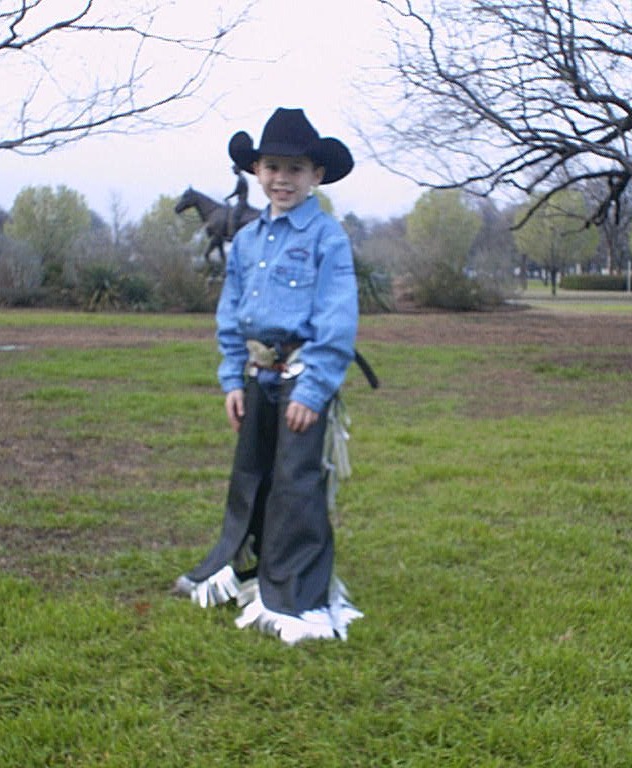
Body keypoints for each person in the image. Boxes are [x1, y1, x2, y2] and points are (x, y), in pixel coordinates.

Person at [172, 107, 362, 644]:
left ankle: (295, 590)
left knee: (296, 482)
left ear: (316, 176)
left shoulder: (328, 238)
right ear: (257, 171)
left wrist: (316, 385)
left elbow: (337, 316)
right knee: (250, 472)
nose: (282, 179)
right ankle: (238, 561)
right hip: (258, 375)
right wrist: (232, 378)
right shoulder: (250, 240)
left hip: (303, 376)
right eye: (273, 167)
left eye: (295, 169)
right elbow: (230, 312)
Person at [224, 163, 249, 237]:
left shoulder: (241, 180)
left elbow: (236, 191)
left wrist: (228, 197)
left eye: (234, 169)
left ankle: (232, 235)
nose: (233, 171)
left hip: (242, 202)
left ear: (238, 169)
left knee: (233, 216)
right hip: (241, 201)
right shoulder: (241, 178)